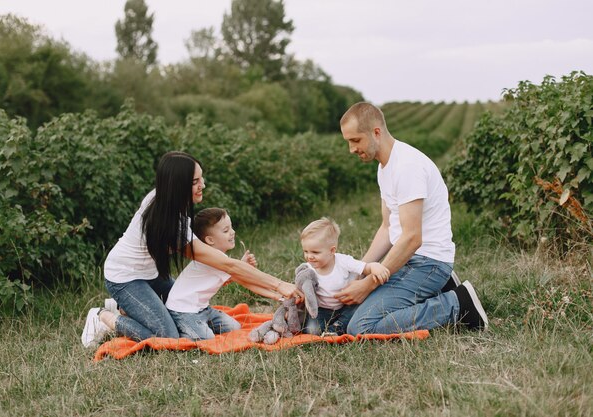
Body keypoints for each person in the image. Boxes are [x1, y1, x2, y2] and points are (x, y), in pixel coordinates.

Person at [81, 151, 301, 348]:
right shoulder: (168, 221)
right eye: (195, 181)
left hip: (152, 274)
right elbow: (228, 265)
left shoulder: (167, 200)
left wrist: (276, 292)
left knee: (180, 309)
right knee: (168, 335)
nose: (202, 185)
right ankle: (104, 318)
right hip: (124, 278)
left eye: (201, 177)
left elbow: (230, 271)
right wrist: (280, 285)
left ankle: (126, 306)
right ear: (177, 185)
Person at [334, 102, 488, 335]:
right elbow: (387, 227)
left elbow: (413, 238)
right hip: (407, 260)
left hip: (428, 262)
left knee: (361, 327)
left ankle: (457, 304)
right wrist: (361, 271)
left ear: (376, 132)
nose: (351, 149)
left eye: (355, 140)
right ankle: (441, 289)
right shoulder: (384, 167)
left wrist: (368, 285)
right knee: (345, 316)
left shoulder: (407, 167)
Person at [166, 207, 282, 340]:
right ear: (210, 240)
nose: (232, 232)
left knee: (234, 327)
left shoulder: (218, 259)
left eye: (231, 228)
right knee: (205, 338)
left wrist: (242, 264)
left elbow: (228, 276)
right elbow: (246, 281)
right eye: (226, 230)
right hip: (183, 311)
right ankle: (181, 328)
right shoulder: (214, 261)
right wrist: (277, 296)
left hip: (203, 309)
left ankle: (200, 325)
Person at [300, 217, 390, 335]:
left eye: (315, 252)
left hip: (345, 306)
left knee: (356, 310)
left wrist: (373, 267)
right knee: (311, 331)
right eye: (306, 251)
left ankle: (337, 328)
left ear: (332, 251)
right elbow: (301, 287)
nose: (309, 256)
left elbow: (363, 267)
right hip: (321, 309)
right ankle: (325, 329)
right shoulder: (308, 268)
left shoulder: (343, 261)